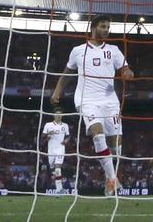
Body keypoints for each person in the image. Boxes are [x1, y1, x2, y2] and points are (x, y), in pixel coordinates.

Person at [51, 14, 134, 196]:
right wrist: (58, 90)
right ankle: (113, 179)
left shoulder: (113, 50)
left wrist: (128, 73)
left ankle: (108, 177)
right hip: (86, 100)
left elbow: (125, 68)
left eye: (108, 27)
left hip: (110, 101)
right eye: (103, 26)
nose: (106, 30)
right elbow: (67, 73)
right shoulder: (78, 50)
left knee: (116, 145)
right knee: (98, 134)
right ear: (94, 27)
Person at [41, 110, 70, 192]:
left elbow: (68, 136)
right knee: (53, 170)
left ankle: (59, 189)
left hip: (60, 149)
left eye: (60, 115)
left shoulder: (65, 125)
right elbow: (42, 138)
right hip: (51, 150)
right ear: (54, 115)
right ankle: (56, 183)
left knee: (57, 169)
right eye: (57, 115)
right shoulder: (48, 125)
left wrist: (66, 141)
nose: (59, 116)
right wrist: (48, 135)